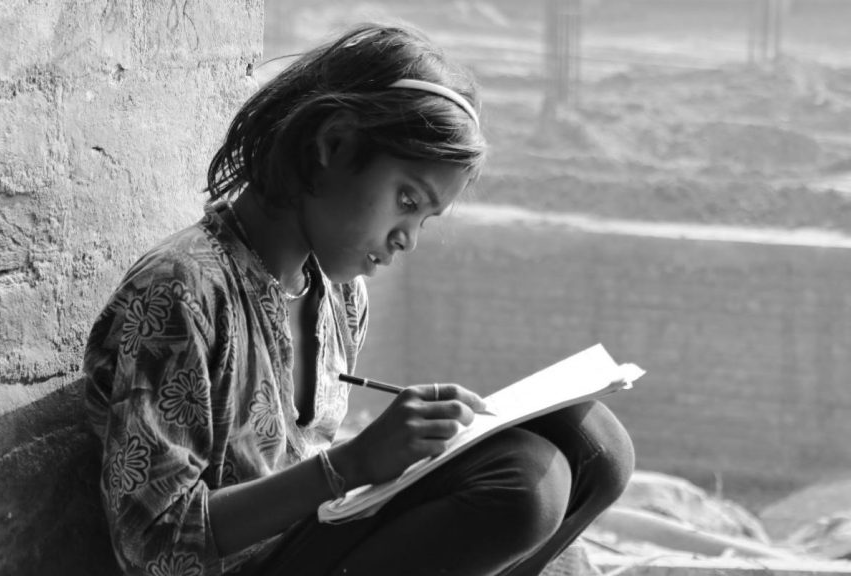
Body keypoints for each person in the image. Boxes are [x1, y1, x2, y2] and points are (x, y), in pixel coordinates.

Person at [83, 23, 634, 576]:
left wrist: (414, 451)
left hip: (316, 541)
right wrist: (352, 463)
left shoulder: (340, 296)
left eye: (424, 218)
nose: (408, 238)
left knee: (594, 442)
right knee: (523, 483)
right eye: (406, 199)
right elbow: (152, 546)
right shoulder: (182, 294)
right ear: (334, 145)